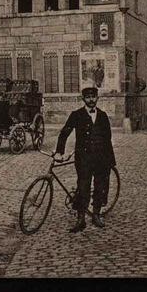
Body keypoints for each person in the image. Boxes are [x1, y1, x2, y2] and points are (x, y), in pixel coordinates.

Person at [55, 80, 116, 233]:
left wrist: (110, 160)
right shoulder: (76, 115)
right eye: (87, 97)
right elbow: (64, 133)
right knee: (83, 187)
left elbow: (107, 138)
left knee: (99, 186)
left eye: (93, 96)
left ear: (97, 98)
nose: (91, 99)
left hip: (101, 158)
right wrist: (59, 152)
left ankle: (96, 215)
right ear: (83, 99)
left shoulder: (102, 116)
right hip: (84, 159)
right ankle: (81, 219)